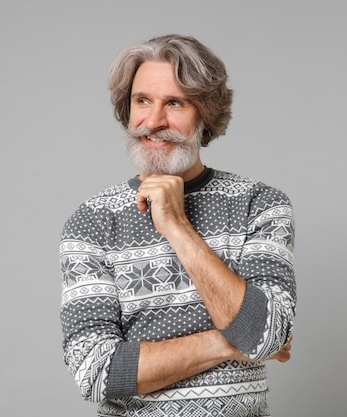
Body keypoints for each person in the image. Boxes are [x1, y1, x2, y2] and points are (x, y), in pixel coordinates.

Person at [59, 34, 296, 417]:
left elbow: (264, 336)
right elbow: (98, 372)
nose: (153, 121)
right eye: (142, 101)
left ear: (206, 113)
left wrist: (177, 226)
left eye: (175, 102)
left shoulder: (259, 204)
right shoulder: (93, 221)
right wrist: (227, 343)